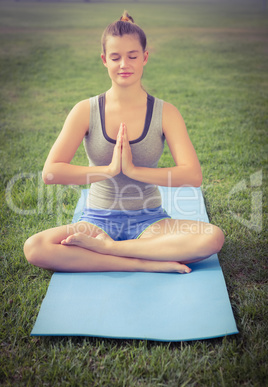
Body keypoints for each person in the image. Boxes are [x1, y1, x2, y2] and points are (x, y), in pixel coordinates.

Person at [24, 11, 224, 274]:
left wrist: (133, 171)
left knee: (213, 237)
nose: (124, 65)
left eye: (132, 56)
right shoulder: (85, 110)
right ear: (104, 60)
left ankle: (109, 250)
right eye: (116, 58)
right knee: (35, 246)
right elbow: (51, 172)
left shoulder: (167, 113)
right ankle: (142, 262)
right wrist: (108, 170)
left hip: (150, 221)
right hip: (97, 221)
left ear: (145, 58)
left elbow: (193, 175)